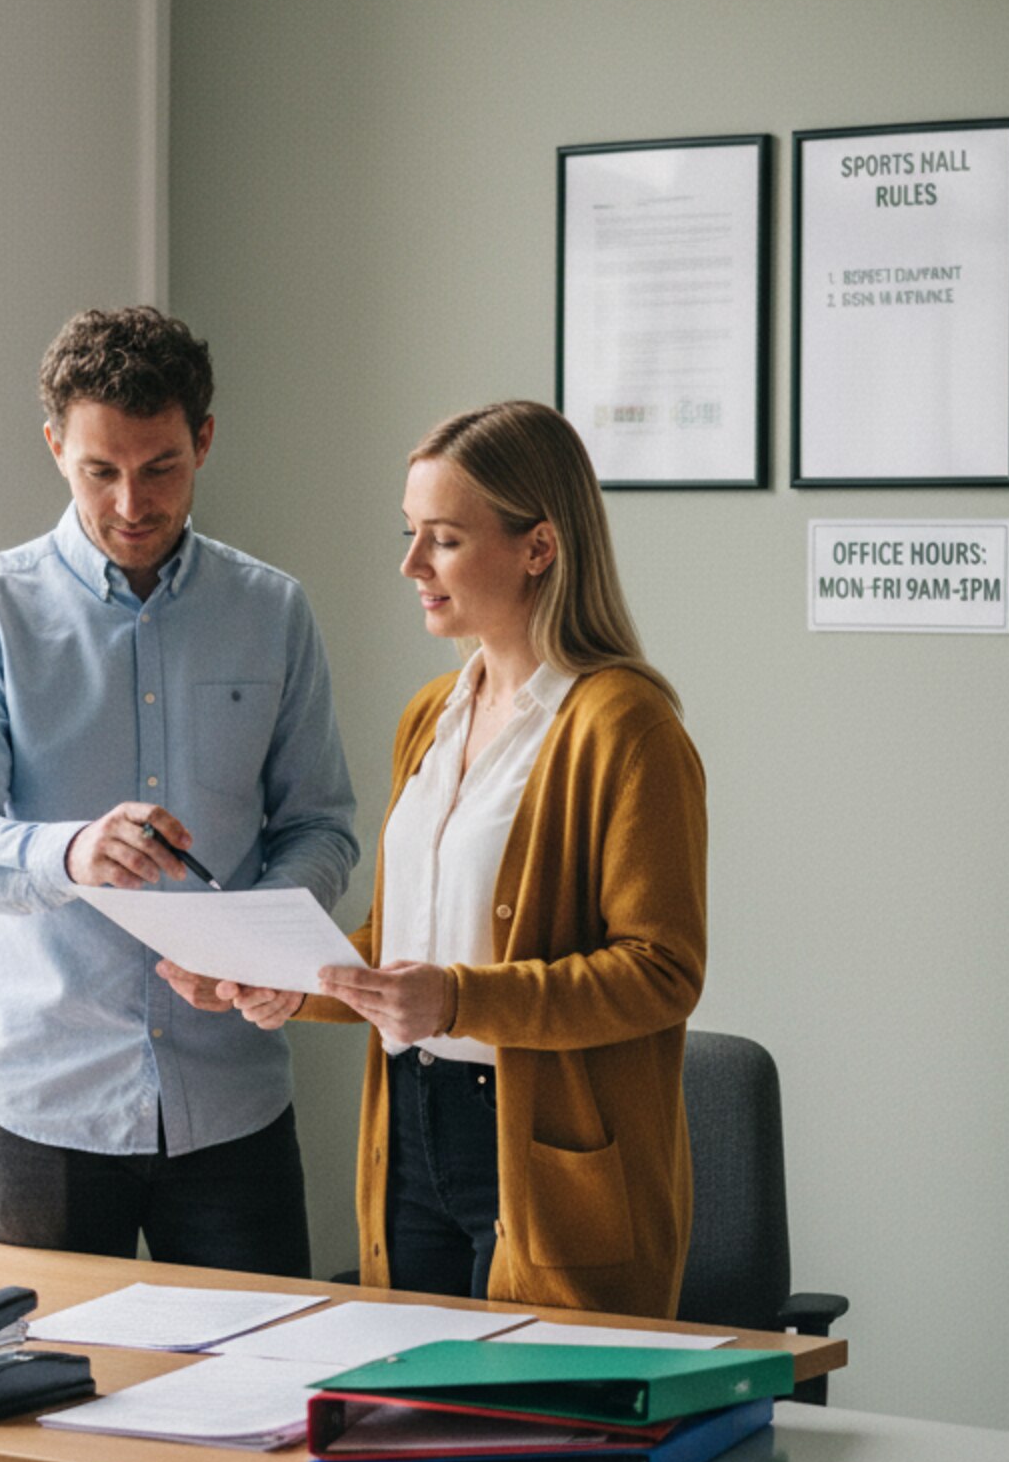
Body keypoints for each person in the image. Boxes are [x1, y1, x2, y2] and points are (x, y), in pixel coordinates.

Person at [168, 400, 706, 1317]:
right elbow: (406, 943)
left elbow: (661, 972)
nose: (411, 566)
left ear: (539, 546)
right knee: (411, 1420)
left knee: (525, 1441)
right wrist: (295, 985)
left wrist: (462, 999)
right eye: (411, 534)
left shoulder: (626, 727)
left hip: (542, 1153)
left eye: (444, 540)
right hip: (411, 1132)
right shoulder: (431, 715)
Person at [0, 306, 357, 1277]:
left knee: (265, 1385)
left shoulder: (272, 610)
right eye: (98, 469)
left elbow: (318, 823)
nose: (129, 502)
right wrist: (67, 852)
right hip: (46, 1096)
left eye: (160, 467)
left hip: (233, 1095)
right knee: (54, 1403)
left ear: (202, 439)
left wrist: (278, 943)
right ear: (54, 446)